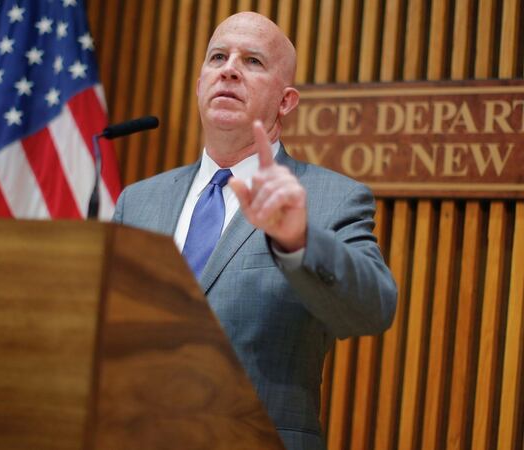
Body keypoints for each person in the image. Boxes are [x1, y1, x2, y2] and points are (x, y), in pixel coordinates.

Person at [112, 12, 397, 450]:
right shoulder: (138, 201)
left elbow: (373, 310)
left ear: (285, 102)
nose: (228, 69)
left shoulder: (329, 198)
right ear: (199, 83)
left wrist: (298, 239)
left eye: (253, 62)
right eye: (218, 57)